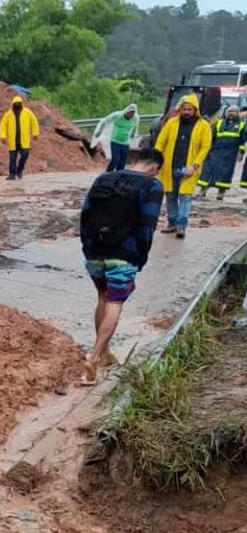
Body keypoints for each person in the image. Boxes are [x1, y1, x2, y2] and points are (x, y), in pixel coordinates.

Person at [79, 147, 165, 385]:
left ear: (136, 161)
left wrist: (88, 247)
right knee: (115, 303)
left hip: (94, 252)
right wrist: (140, 258)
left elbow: (85, 215)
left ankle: (104, 354)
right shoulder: (152, 186)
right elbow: (147, 227)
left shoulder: (104, 178)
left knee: (103, 298)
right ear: (155, 168)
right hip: (123, 254)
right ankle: (94, 357)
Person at [154, 94, 212, 240]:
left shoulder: (203, 126)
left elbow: (205, 148)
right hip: (169, 166)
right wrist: (157, 159)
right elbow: (160, 142)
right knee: (170, 195)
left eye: (189, 110)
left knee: (185, 196)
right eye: (184, 109)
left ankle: (181, 225)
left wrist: (195, 165)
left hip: (189, 168)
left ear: (195, 110)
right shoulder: (172, 123)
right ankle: (172, 223)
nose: (186, 112)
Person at [198, 107, 247, 200]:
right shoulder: (220, 123)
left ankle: (221, 193)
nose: (231, 113)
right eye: (229, 111)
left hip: (230, 154)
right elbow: (212, 136)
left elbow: (243, 140)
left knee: (225, 173)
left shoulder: (241, 125)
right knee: (208, 170)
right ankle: (202, 191)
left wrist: (241, 152)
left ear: (238, 113)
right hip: (215, 151)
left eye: (233, 112)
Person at [0, 95, 40, 179]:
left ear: (21, 104)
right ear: (13, 104)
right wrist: (3, 136)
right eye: (15, 103)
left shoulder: (27, 112)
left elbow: (34, 121)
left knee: (25, 154)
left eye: (18, 103)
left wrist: (35, 133)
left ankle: (20, 170)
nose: (17, 105)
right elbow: (3, 124)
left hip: (24, 140)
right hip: (12, 141)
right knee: (12, 158)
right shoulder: (8, 114)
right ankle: (12, 174)